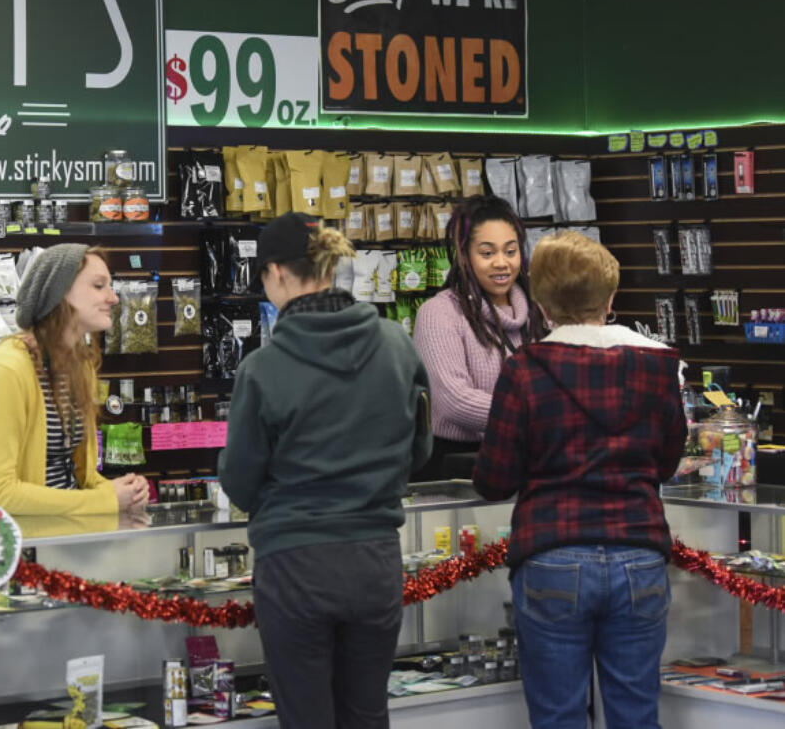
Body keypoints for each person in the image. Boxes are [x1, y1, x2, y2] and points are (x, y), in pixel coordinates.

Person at [218, 212, 431, 729]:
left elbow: (240, 480)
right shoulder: (396, 345)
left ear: (275, 273)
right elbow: (420, 450)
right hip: (375, 561)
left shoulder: (263, 368)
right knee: (366, 714)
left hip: (295, 566)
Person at [472, 231, 686, 729]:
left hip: (552, 554)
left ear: (542, 304)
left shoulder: (524, 370)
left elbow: (494, 479)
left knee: (558, 716)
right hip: (639, 552)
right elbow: (668, 462)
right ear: (610, 299)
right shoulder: (659, 365)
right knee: (637, 715)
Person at [0, 244, 149, 515]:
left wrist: (122, 491)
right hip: (19, 546)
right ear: (59, 294)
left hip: (65, 538)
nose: (113, 298)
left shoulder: (80, 367)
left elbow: (75, 474)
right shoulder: (8, 370)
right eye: (99, 286)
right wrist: (107, 500)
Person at [412, 195, 546, 480]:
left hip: (525, 455)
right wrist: (536, 414)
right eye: (487, 253)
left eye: (510, 252)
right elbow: (454, 401)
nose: (502, 263)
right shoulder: (439, 313)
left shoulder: (538, 312)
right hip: (454, 468)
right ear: (464, 254)